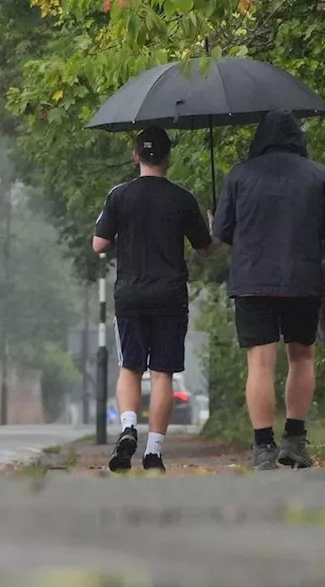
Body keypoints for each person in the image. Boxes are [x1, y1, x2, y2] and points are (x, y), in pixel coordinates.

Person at [213, 110, 325, 470]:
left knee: (260, 362)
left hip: (253, 282)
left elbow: (224, 231)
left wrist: (218, 216)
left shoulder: (239, 175)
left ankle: (263, 447)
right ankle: (294, 439)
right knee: (301, 356)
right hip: (301, 280)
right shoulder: (318, 176)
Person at [93, 126, 216, 473]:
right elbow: (206, 249)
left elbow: (98, 245)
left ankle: (128, 427)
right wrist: (215, 227)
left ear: (136, 157)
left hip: (130, 295)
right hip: (170, 297)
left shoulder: (119, 196)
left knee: (130, 367)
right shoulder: (182, 198)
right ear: (168, 158)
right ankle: (153, 452)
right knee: (162, 373)